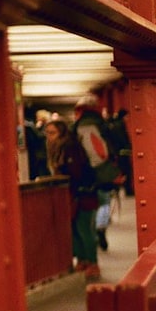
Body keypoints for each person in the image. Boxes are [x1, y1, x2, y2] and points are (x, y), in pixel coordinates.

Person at [45, 118, 100, 279]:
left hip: (82, 194)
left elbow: (76, 172)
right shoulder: (58, 147)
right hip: (73, 195)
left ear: (61, 132)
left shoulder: (70, 147)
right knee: (75, 229)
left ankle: (92, 262)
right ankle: (83, 260)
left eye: (52, 133)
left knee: (84, 230)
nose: (49, 136)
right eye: (47, 133)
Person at [73, 95, 120, 251]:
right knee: (104, 202)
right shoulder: (98, 123)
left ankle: (96, 231)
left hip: (90, 171)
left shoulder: (84, 125)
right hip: (99, 170)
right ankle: (100, 228)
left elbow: (95, 151)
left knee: (94, 205)